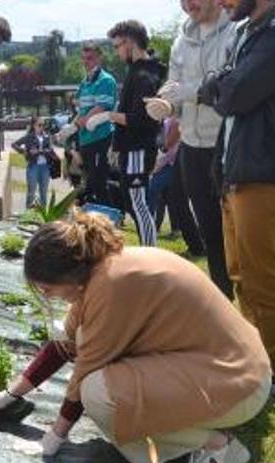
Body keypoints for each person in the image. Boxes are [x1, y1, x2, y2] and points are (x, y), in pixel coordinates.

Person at [0, 212, 271, 463]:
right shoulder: (99, 270)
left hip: (240, 386)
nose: (49, 297)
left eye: (48, 290)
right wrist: (10, 395)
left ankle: (216, 446)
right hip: (228, 370)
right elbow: (65, 344)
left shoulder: (112, 284)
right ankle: (177, 447)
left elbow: (83, 373)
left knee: (100, 394)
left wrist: (52, 440)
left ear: (67, 275)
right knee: (99, 378)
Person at [198, 0, 275, 400]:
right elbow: (224, 87)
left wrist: (219, 84)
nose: (221, 2)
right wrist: (221, 83)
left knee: (263, 279)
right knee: (240, 276)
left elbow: (233, 95)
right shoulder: (249, 34)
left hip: (262, 173)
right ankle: (257, 360)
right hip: (236, 172)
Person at [145, 0, 237, 298]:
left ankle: (250, 306)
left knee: (237, 232)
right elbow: (173, 85)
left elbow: (227, 86)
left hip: (227, 144)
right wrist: (165, 104)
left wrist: (183, 93)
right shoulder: (180, 41)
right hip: (192, 146)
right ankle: (223, 302)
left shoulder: (236, 31)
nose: (188, 5)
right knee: (210, 232)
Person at [92, 20, 165, 246]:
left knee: (138, 204)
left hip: (138, 148)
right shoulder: (139, 71)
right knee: (133, 202)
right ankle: (149, 250)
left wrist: (108, 117)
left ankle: (151, 254)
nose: (116, 52)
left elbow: (140, 119)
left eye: (117, 46)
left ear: (130, 43)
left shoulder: (144, 76)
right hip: (131, 148)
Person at [57, 43, 117, 207]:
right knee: (91, 185)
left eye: (89, 58)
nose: (85, 62)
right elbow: (83, 111)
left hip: (100, 139)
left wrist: (74, 127)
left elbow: (99, 108)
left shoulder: (105, 80)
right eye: (83, 59)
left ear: (99, 58)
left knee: (99, 184)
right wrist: (71, 127)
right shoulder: (85, 82)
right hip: (86, 141)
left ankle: (111, 221)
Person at [148, 116, 205, 256]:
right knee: (174, 201)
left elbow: (170, 145)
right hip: (173, 162)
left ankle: (198, 245)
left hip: (174, 163)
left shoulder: (175, 119)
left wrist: (158, 164)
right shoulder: (169, 118)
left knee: (176, 200)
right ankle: (196, 245)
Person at [12, 116, 59, 208]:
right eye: (40, 125)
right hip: (33, 166)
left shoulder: (46, 136)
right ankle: (29, 213)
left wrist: (40, 152)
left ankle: (43, 213)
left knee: (44, 192)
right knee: (31, 191)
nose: (42, 127)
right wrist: (23, 151)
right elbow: (14, 144)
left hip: (45, 167)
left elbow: (50, 149)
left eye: (43, 125)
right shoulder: (29, 137)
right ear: (34, 125)